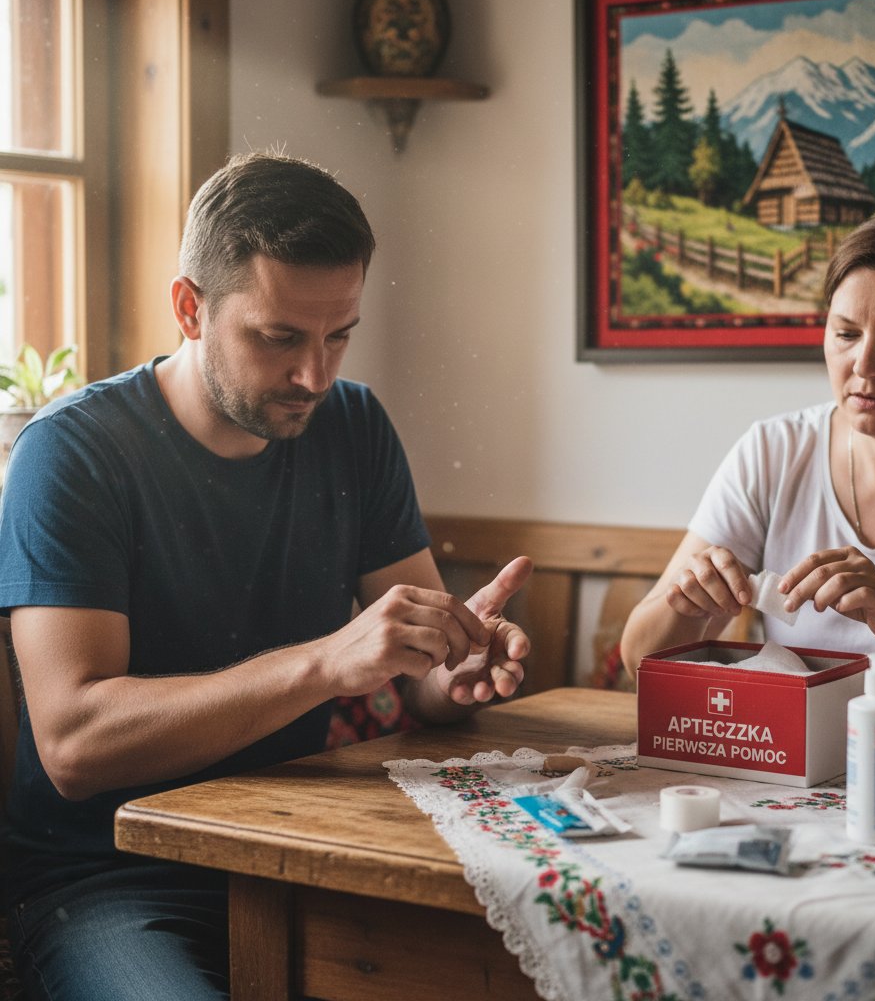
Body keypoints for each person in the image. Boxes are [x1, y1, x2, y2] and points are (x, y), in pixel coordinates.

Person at [0, 151, 533, 1001]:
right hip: (113, 881)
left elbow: (422, 678)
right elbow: (74, 745)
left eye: (339, 335)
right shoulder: (71, 453)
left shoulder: (354, 424)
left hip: (304, 855)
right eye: (279, 337)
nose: (314, 375)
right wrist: (325, 663)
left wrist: (454, 666)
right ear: (190, 308)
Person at [621, 207, 875, 702]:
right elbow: (638, 660)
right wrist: (687, 606)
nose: (865, 365)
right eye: (846, 334)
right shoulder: (773, 452)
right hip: (794, 752)